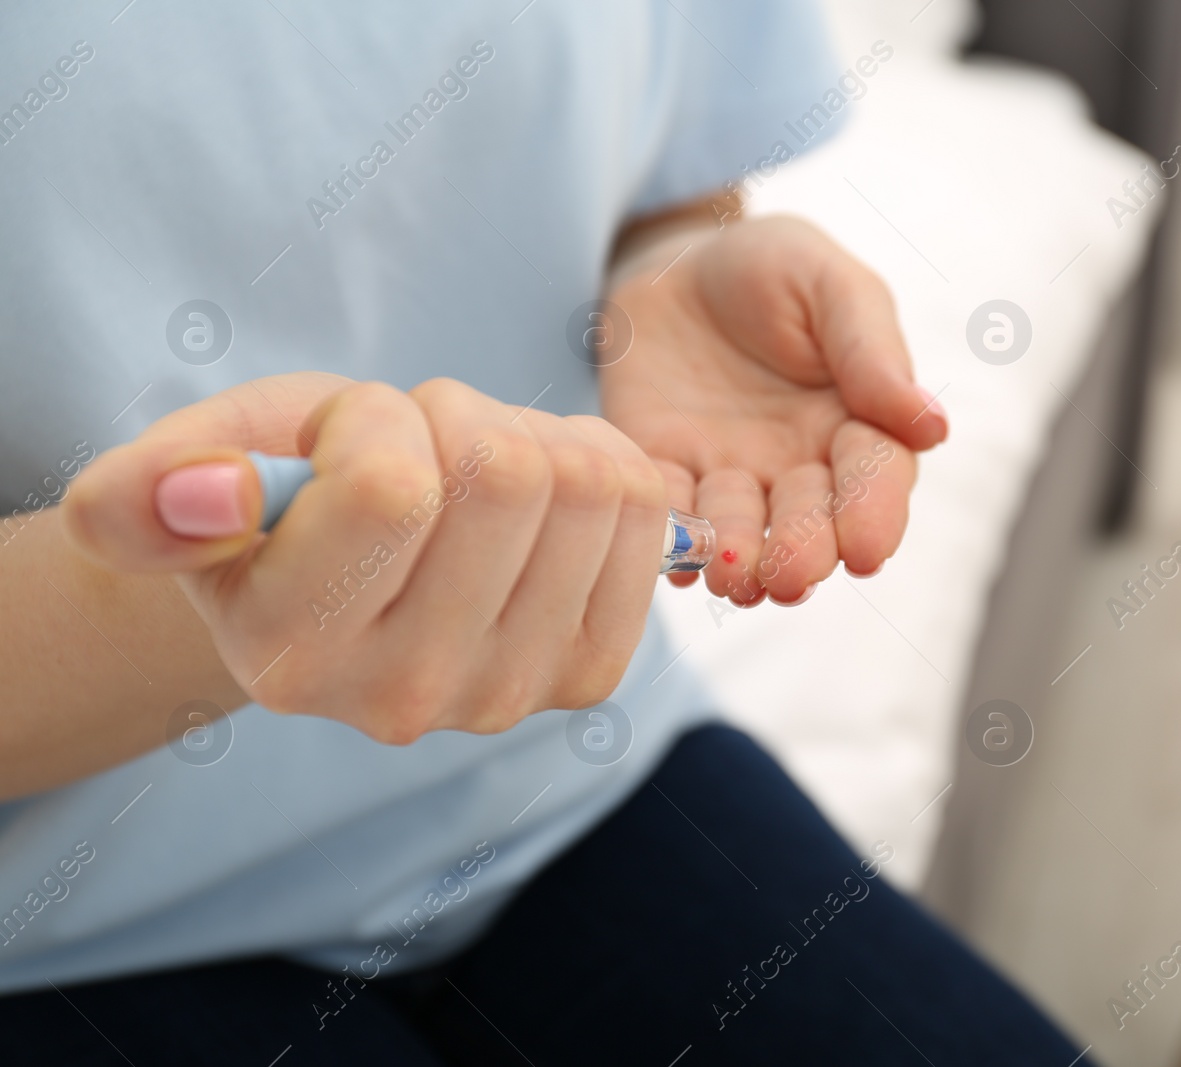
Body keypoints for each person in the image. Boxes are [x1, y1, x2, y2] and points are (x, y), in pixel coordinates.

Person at [0, 2, 1090, 1063]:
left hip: (553, 773)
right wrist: (220, 603)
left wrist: (670, 266)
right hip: (55, 932)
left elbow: (661, 149)